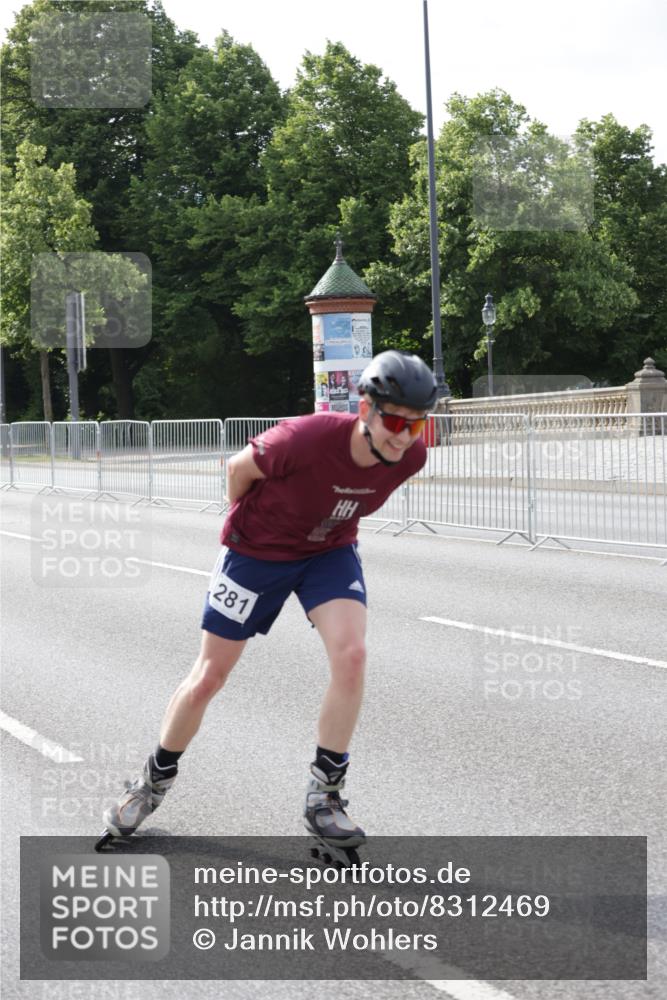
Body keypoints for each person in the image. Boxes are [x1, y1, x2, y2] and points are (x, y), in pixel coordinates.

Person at [102, 351, 438, 852]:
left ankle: (324, 797)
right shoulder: (305, 438)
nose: (402, 435)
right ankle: (150, 783)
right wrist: (250, 528)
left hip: (327, 551)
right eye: (393, 421)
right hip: (256, 552)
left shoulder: (411, 456)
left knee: (352, 656)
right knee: (209, 677)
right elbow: (237, 473)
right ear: (364, 408)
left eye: (416, 426)